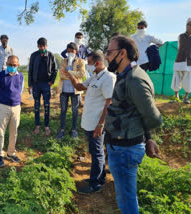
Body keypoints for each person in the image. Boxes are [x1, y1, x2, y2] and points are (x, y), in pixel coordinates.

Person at [104, 35, 162, 214]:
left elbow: (153, 117)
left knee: (127, 199)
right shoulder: (125, 75)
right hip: (120, 147)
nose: (106, 56)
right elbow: (136, 111)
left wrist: (145, 136)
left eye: (109, 52)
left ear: (122, 53)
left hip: (125, 150)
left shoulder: (135, 79)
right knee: (125, 196)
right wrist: (149, 137)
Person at [61, 51, 116, 193]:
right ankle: (100, 177)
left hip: (97, 124)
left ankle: (95, 183)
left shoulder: (108, 78)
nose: (88, 66)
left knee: (97, 152)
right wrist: (71, 76)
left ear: (97, 63)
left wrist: (101, 124)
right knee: (95, 151)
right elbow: (79, 87)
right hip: (89, 122)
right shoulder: (95, 77)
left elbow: (109, 103)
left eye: (89, 63)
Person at [0, 55, 24, 168]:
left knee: (14, 132)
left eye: (14, 65)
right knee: (1, 132)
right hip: (3, 107)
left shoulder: (20, 76)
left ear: (18, 65)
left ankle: (11, 153)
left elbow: (20, 91)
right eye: (10, 65)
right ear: (6, 64)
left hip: (16, 107)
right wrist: (3, 100)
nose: (12, 67)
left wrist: (14, 100)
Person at [28, 37, 57, 136]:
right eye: (40, 46)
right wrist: (30, 85)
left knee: (47, 105)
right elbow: (30, 70)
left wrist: (51, 81)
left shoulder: (50, 55)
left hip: (46, 84)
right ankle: (37, 125)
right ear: (38, 46)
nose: (42, 48)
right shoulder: (34, 55)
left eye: (44, 46)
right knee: (36, 105)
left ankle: (46, 126)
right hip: (36, 84)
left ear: (46, 46)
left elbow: (55, 70)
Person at [57, 42, 86, 139]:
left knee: (75, 111)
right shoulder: (63, 61)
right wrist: (73, 75)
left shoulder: (81, 62)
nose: (70, 53)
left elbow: (82, 74)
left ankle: (74, 130)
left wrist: (68, 72)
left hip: (75, 90)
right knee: (63, 110)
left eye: (72, 51)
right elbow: (61, 74)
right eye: (68, 51)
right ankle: (62, 130)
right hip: (64, 90)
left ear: (76, 51)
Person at [171, 18, 191, 104]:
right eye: (188, 24)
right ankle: (176, 96)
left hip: (190, 62)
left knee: (189, 80)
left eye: (190, 25)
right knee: (176, 78)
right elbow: (179, 47)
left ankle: (186, 97)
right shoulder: (181, 36)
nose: (189, 26)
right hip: (179, 60)